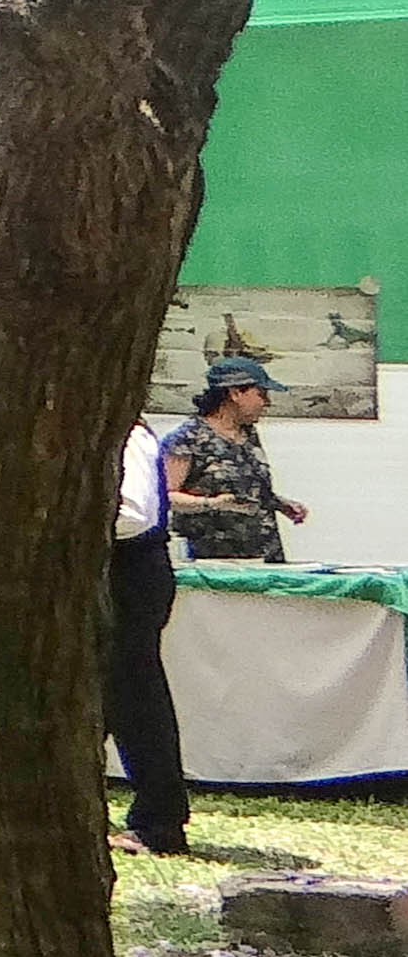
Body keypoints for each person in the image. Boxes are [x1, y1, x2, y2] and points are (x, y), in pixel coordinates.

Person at [106, 413, 189, 858]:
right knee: (110, 697)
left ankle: (160, 822)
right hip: (115, 576)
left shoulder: (129, 433)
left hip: (131, 578)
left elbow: (133, 515)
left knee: (136, 700)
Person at [166, 355, 309, 564]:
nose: (267, 403)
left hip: (263, 555)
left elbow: (245, 487)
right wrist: (212, 504)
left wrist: (278, 503)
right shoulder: (188, 438)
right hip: (214, 563)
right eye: (261, 394)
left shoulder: (248, 434)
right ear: (235, 393)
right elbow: (166, 496)